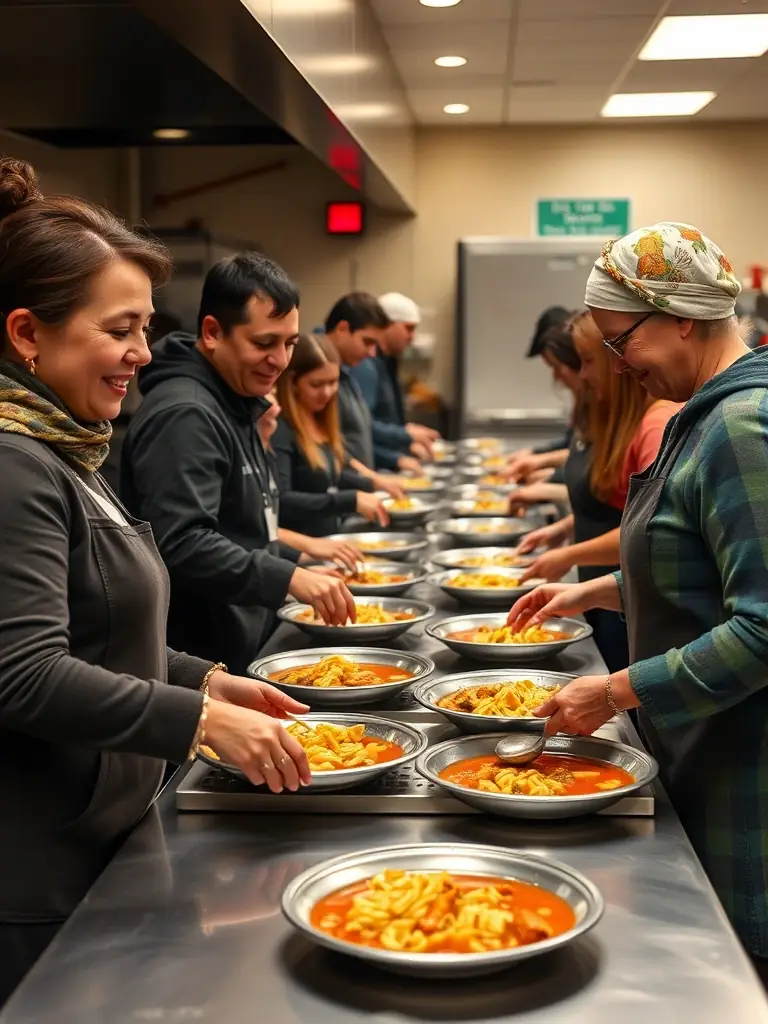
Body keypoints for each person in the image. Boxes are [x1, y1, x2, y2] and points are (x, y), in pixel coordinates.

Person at [0, 157, 312, 1004]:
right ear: (27, 334)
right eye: (121, 329)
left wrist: (210, 680)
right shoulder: (15, 465)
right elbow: (23, 675)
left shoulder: (71, 447)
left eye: (144, 328)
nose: (144, 352)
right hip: (39, 878)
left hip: (107, 834)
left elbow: (104, 631)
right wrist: (201, 719)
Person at [508, 222, 768, 972]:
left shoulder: (741, 426)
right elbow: (697, 570)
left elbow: (761, 625)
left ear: (682, 316)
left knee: (733, 971)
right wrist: (598, 589)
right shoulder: (702, 413)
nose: (619, 367)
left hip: (740, 771)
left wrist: (618, 691)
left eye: (624, 343)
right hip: (696, 746)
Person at [121, 253, 356, 675]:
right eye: (264, 343)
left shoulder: (239, 399)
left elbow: (245, 523)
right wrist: (286, 577)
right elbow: (181, 541)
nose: (281, 361)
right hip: (202, 654)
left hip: (244, 640)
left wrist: (296, 561)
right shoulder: (187, 413)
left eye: (289, 343)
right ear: (212, 332)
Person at [518, 311, 679, 673]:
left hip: (625, 603)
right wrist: (565, 530)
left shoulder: (655, 423)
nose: (583, 375)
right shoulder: (618, 420)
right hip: (607, 593)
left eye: (588, 361)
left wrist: (567, 554)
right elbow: (618, 504)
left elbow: (650, 530)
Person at [273, 334, 389, 537]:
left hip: (331, 540)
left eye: (333, 382)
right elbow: (282, 500)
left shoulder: (320, 419)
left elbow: (327, 476)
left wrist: (372, 485)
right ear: (292, 382)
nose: (327, 393)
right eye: (317, 385)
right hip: (303, 551)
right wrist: (349, 500)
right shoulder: (280, 428)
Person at [257, 391, 365, 568]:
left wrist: (302, 558)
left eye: (275, 393)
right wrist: (303, 552)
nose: (275, 406)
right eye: (317, 385)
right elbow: (240, 534)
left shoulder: (267, 448)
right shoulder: (283, 433)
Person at [323, 292, 423, 476]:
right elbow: (327, 448)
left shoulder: (346, 371)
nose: (371, 354)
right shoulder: (325, 371)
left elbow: (359, 430)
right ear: (342, 329)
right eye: (367, 342)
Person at [350, 291, 440, 465]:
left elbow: (384, 419)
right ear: (388, 325)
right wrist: (402, 441)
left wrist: (405, 441)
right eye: (408, 328)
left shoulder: (388, 361)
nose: (412, 337)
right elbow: (361, 428)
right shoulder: (365, 365)